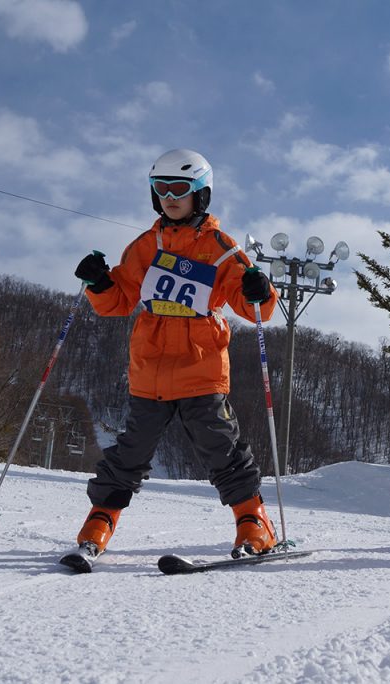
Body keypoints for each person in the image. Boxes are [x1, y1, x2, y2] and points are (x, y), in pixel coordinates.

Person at [70, 148, 279, 559]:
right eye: (161, 188)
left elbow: (255, 308)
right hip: (149, 369)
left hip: (201, 368)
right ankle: (101, 519)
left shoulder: (221, 248)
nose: (169, 197)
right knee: (131, 450)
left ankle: (253, 521)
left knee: (221, 448)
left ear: (201, 193)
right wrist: (99, 283)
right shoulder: (145, 247)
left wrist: (260, 291)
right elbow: (119, 301)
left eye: (179, 189)